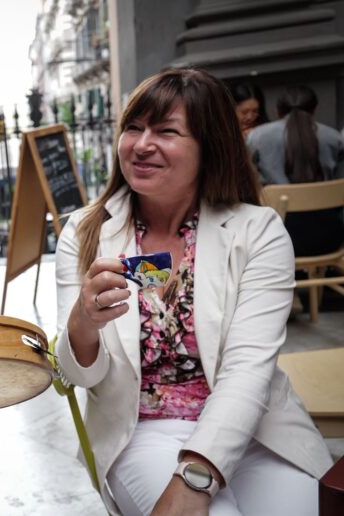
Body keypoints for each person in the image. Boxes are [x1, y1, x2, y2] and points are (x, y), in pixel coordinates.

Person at [55, 68, 332, 515]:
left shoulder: (257, 232)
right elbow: (75, 376)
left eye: (166, 131)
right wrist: (83, 322)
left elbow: (248, 370)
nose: (142, 144)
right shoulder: (86, 233)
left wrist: (197, 473)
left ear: (210, 147)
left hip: (254, 427)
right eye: (133, 127)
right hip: (142, 429)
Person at [246, 85, 344, 256]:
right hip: (331, 236)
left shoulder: (257, 137)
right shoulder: (334, 138)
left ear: (277, 111)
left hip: (277, 237)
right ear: (314, 110)